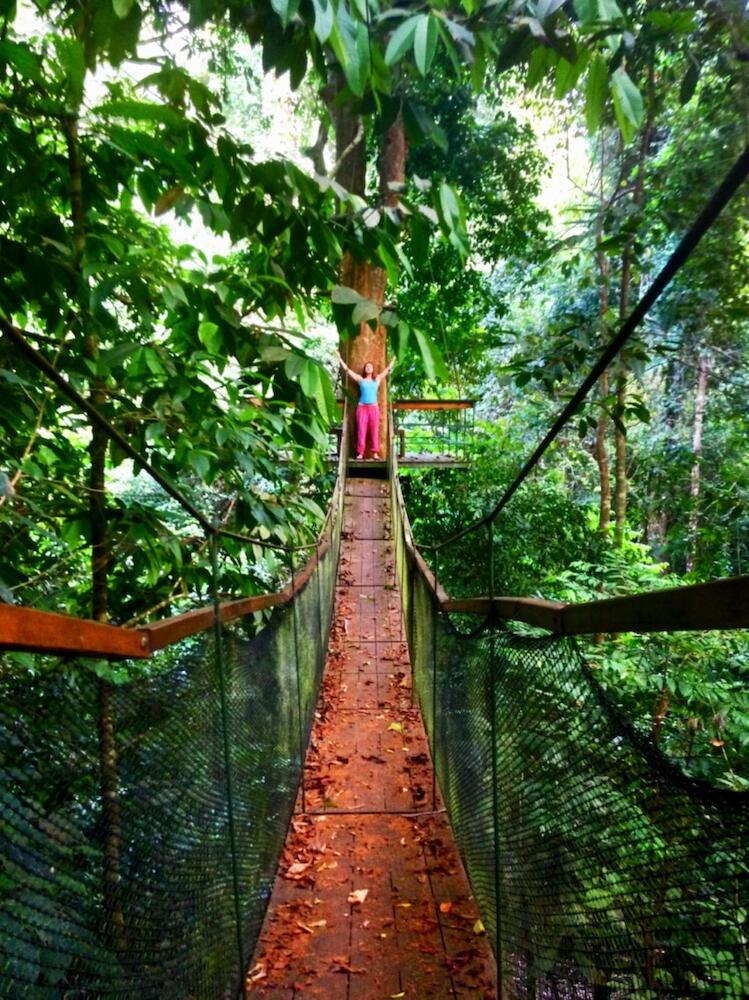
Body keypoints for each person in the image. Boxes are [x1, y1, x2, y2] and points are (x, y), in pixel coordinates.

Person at [336, 350, 395, 459]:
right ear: (364, 369)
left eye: (370, 366)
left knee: (374, 430)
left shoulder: (376, 380)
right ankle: (360, 453)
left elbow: (387, 370)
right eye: (366, 366)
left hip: (374, 408)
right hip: (362, 407)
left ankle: (375, 453)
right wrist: (339, 358)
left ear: (373, 369)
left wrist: (394, 359)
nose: (368, 368)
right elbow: (347, 370)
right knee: (361, 430)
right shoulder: (360, 380)